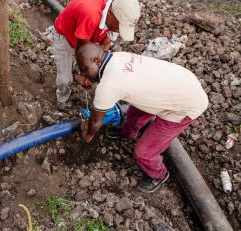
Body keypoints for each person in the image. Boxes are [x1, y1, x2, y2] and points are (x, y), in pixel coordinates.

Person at [75, 43, 209, 193]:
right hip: (180, 81)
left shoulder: (109, 86)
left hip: (184, 106)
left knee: (144, 152)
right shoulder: (118, 57)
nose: (84, 75)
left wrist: (89, 135)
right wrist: (89, 77)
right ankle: (128, 133)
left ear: (97, 61)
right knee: (134, 113)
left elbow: (95, 121)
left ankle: (158, 175)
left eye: (85, 70)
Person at [53, 0, 141, 111]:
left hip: (88, 36)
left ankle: (77, 72)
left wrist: (91, 75)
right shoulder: (91, 13)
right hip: (65, 35)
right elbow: (82, 50)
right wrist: (85, 74)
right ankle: (61, 99)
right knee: (65, 79)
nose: (119, 30)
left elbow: (105, 44)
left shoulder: (118, 15)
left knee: (91, 68)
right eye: (119, 26)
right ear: (110, 13)